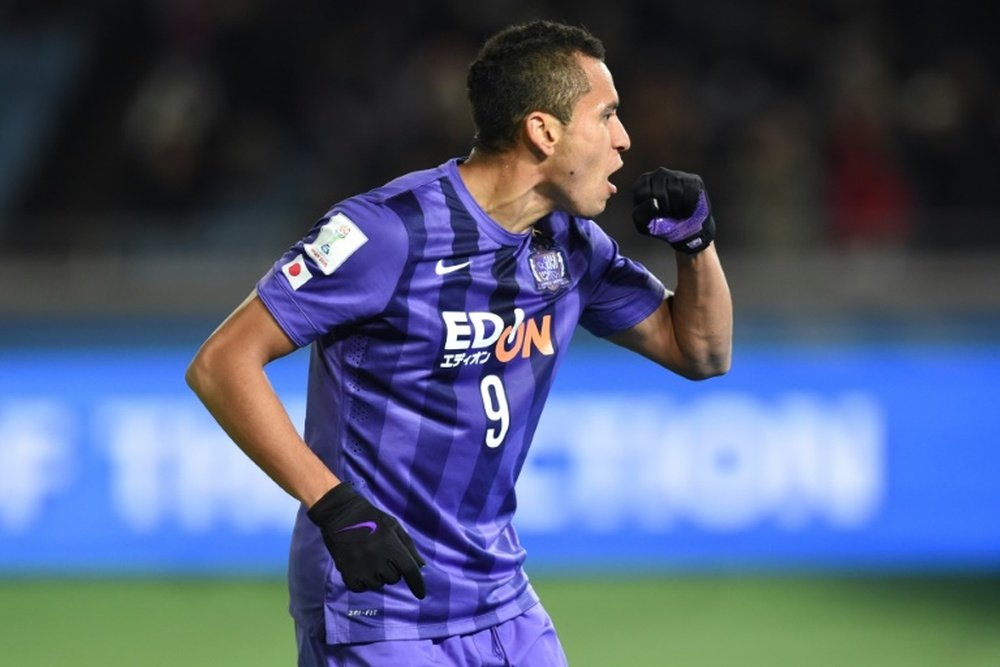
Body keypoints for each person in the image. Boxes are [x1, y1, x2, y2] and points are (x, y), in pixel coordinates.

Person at [186, 19, 732, 667]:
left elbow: (700, 352)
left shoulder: (572, 245)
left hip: (502, 598)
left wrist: (695, 244)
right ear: (543, 129)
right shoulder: (386, 232)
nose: (624, 139)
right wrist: (332, 504)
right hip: (382, 601)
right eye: (607, 115)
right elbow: (222, 362)